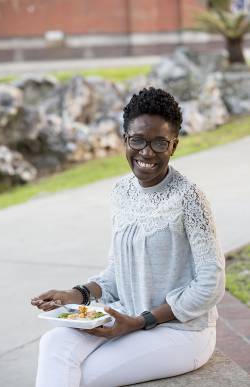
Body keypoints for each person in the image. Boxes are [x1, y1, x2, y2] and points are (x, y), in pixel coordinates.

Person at [31, 87, 225, 387]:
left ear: (173, 146)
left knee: (85, 375)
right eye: (138, 140)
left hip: (181, 331)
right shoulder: (121, 191)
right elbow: (117, 272)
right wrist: (76, 295)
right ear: (125, 140)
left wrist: (143, 320)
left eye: (160, 142)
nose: (147, 152)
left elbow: (211, 283)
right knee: (54, 344)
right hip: (128, 317)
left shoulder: (190, 199)